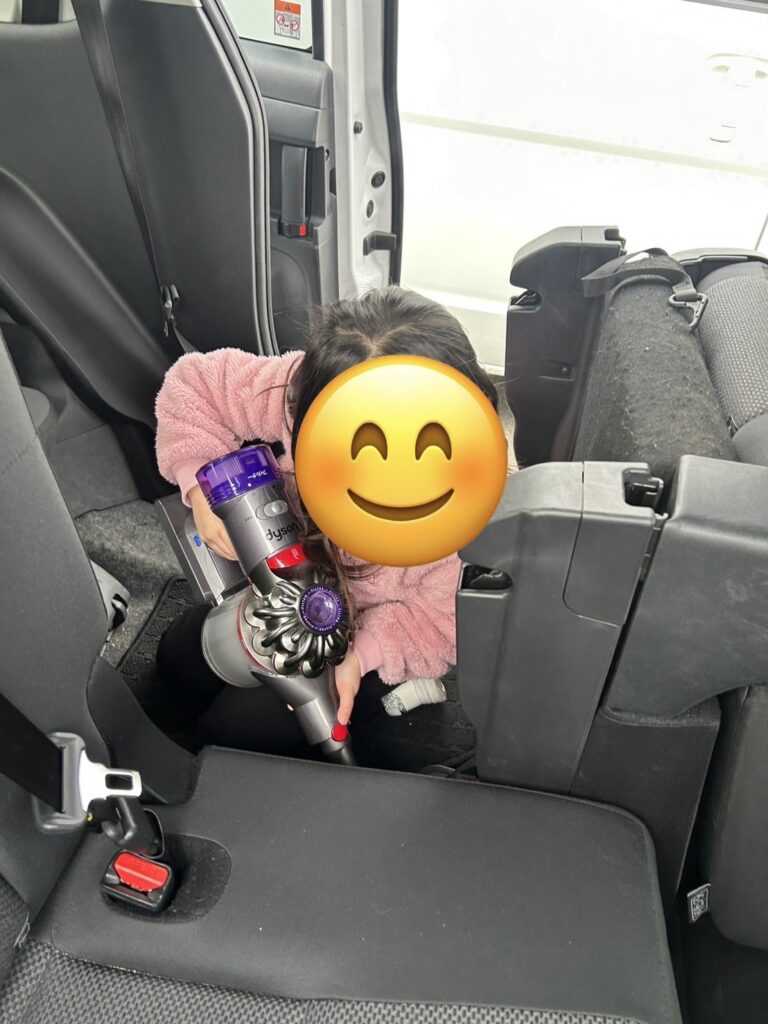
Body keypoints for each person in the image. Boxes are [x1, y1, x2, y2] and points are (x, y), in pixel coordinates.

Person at [154, 286, 504, 757]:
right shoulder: (295, 394)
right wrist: (202, 487)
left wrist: (363, 654)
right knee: (176, 659)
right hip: (267, 588)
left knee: (233, 732)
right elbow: (193, 385)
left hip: (352, 639)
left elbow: (442, 624)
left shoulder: (465, 526)